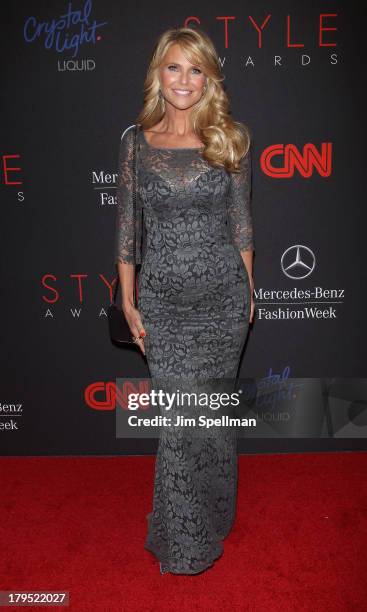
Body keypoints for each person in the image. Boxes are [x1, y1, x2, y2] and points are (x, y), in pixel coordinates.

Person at [114, 26, 255, 575]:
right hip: (164, 305)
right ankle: (186, 544)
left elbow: (242, 225)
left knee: (212, 418)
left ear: (209, 79)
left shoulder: (232, 138)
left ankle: (217, 511)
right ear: (158, 73)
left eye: (196, 69)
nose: (184, 80)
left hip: (222, 299)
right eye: (174, 67)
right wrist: (129, 302)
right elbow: (128, 231)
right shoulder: (135, 143)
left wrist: (248, 292)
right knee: (181, 422)